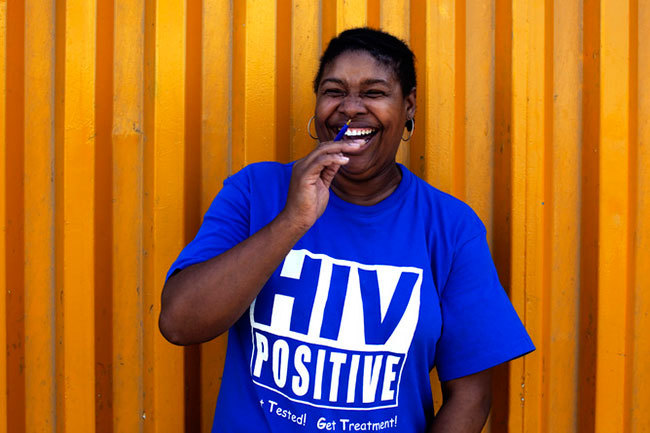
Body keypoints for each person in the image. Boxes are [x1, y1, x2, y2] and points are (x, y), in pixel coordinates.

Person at [160, 28, 534, 433]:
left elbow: (471, 395)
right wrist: (292, 221)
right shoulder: (255, 191)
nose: (351, 108)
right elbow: (180, 322)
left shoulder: (450, 227)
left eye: (374, 92)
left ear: (408, 107)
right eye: (334, 90)